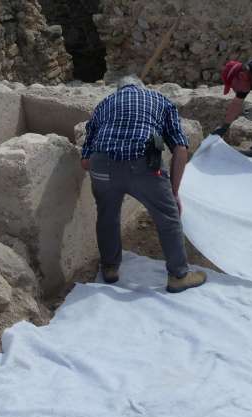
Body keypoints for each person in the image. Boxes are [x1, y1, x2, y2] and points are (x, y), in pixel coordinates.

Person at [81, 75, 207, 293]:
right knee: (168, 217)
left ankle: (110, 267)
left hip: (101, 165)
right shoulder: (159, 99)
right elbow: (180, 148)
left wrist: (111, 166)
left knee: (107, 215)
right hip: (143, 165)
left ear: (119, 90)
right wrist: (173, 193)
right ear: (141, 86)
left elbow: (85, 161)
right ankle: (178, 275)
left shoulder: (103, 104)